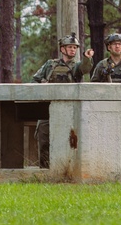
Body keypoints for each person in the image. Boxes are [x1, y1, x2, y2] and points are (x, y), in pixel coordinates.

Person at [32, 33, 94, 167]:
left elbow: (85, 68)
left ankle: (66, 169)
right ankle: (45, 171)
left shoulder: (76, 66)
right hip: (47, 108)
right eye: (70, 47)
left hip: (69, 109)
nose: (73, 49)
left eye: (75, 47)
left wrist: (87, 58)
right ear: (62, 49)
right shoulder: (50, 65)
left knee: (68, 141)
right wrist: (43, 86)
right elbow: (34, 81)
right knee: (44, 140)